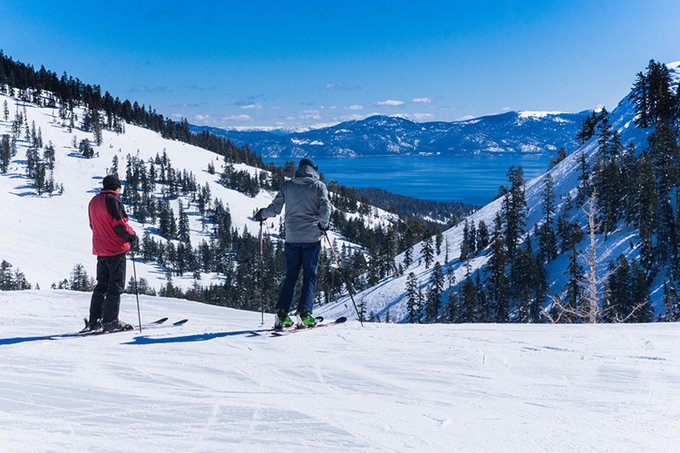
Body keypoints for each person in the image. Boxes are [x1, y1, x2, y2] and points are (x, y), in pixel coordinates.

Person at [255, 158, 331, 329]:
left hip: (291, 238)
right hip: (311, 238)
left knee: (291, 276)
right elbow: (326, 208)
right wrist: (323, 224)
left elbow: (275, 208)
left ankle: (281, 315)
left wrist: (262, 214)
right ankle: (304, 314)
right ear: (313, 169)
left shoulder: (287, 186)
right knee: (310, 276)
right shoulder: (318, 186)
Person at [81, 175, 137, 333]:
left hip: (101, 248)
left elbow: (93, 225)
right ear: (116, 187)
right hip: (115, 249)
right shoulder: (113, 201)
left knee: (101, 285)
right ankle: (110, 321)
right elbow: (120, 225)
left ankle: (94, 320)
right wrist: (132, 235)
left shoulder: (93, 201)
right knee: (115, 286)